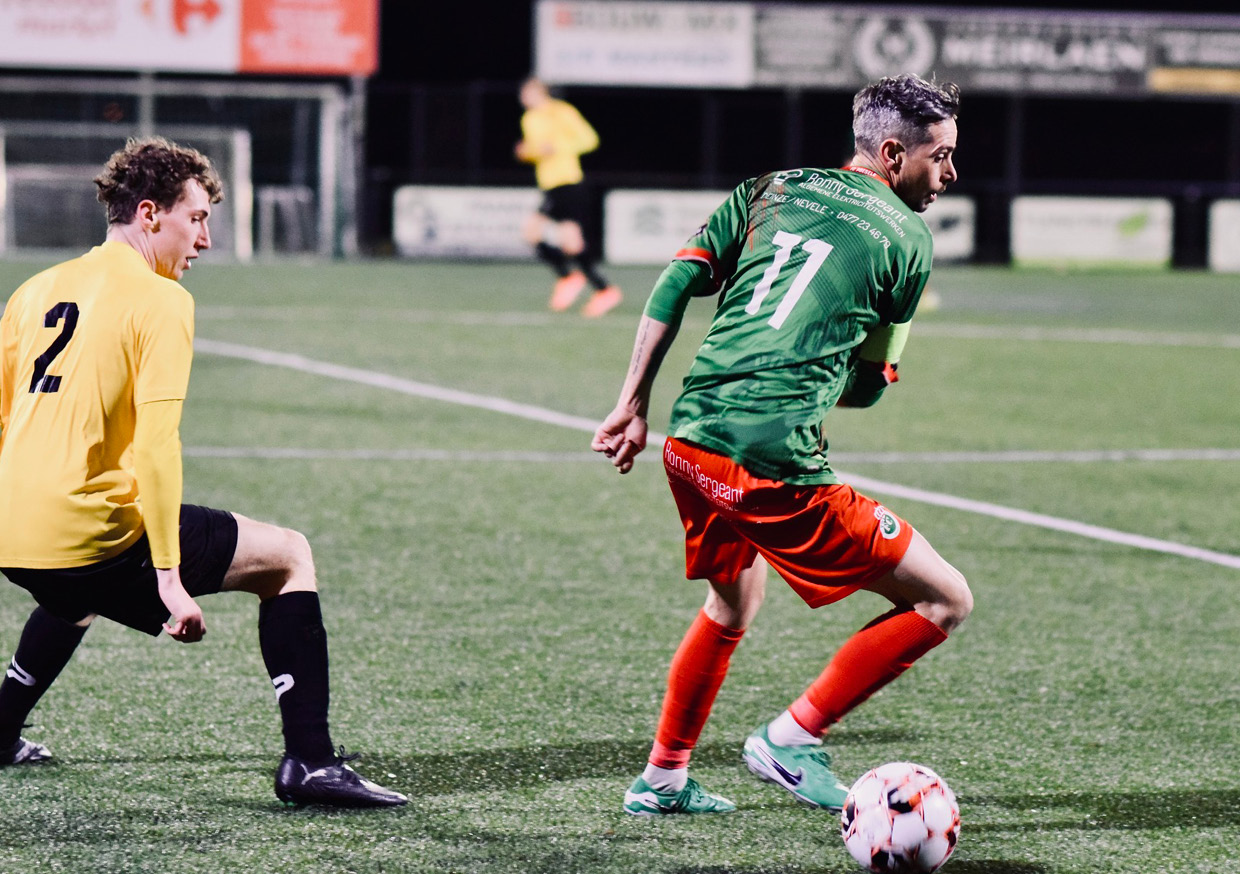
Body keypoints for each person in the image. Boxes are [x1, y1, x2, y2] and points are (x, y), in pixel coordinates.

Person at [592, 74, 973, 816]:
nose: (951, 174)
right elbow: (869, 387)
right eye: (941, 156)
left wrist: (632, 402)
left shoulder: (768, 188)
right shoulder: (908, 239)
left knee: (732, 601)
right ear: (893, 155)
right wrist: (841, 372)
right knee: (944, 599)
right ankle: (792, 739)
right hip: (770, 463)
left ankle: (662, 779)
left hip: (690, 439)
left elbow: (675, 282)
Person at [0, 137, 406, 808]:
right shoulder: (161, 300)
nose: (205, 239)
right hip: (88, 534)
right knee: (288, 557)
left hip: (15, 534)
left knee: (74, 591)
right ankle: (311, 760)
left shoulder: (33, 290)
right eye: (196, 218)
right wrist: (169, 577)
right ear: (150, 213)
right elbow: (158, 445)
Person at [515, 76, 622, 317]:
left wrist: (559, 147)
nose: (523, 97)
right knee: (570, 243)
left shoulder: (562, 112)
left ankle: (573, 279)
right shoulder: (529, 119)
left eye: (527, 92)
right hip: (550, 185)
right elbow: (537, 150)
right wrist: (527, 151)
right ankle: (602, 289)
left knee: (534, 233)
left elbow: (590, 140)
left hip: (568, 182)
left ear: (540, 92)